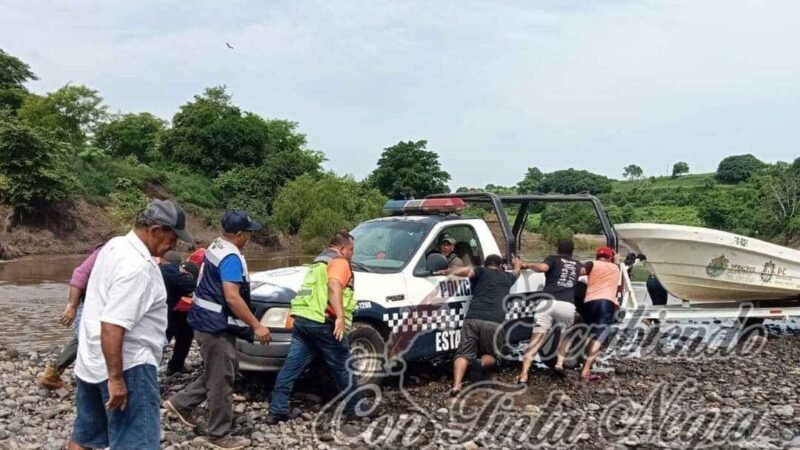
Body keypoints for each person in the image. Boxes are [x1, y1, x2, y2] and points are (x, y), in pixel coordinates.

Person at [68, 199, 193, 450]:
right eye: (172, 237)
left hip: (91, 360)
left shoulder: (115, 245)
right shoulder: (138, 267)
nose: (175, 244)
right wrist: (116, 379)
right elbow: (113, 325)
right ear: (155, 231)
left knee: (84, 437)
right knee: (137, 443)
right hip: (128, 365)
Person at [164, 211, 270, 450]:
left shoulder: (216, 246)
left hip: (204, 321)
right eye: (249, 232)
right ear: (240, 234)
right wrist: (257, 325)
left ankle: (180, 403)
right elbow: (232, 297)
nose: (251, 237)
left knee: (223, 369)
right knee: (221, 380)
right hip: (214, 326)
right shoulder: (231, 257)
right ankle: (219, 435)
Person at [267, 230, 358, 424]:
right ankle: (354, 409)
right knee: (343, 365)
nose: (352, 254)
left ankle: (277, 409)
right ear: (342, 249)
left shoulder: (318, 262)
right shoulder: (339, 262)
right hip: (322, 321)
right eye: (351, 250)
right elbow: (334, 286)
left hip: (302, 321)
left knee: (291, 367)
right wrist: (340, 317)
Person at [443, 254, 522, 396]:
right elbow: (517, 271)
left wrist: (447, 271)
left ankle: (456, 386)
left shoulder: (481, 271)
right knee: (493, 355)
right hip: (494, 322)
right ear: (500, 266)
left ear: (486, 264)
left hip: (473, 318)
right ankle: (479, 364)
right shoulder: (507, 277)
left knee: (463, 353)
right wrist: (517, 262)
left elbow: (466, 271)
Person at [39, 244, 104, 391]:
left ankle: (53, 373)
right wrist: (72, 307)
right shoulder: (108, 250)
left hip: (100, 303)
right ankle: (54, 374)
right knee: (86, 338)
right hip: (86, 302)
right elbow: (79, 275)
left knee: (84, 338)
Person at [516, 239, 583, 383]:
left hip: (547, 303)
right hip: (567, 305)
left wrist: (526, 264)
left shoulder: (553, 259)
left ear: (557, 249)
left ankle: (524, 374)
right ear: (572, 251)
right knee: (565, 336)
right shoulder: (577, 264)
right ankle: (559, 363)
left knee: (536, 340)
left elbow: (543, 267)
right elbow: (586, 271)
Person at [580, 246, 621, 382]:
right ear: (609, 257)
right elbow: (617, 260)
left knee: (591, 332)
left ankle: (580, 357)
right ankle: (586, 370)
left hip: (589, 302)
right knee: (599, 337)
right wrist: (615, 258)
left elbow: (578, 272)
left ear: (597, 255)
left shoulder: (592, 264)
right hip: (606, 302)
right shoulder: (616, 268)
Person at [159, 252, 198, 376]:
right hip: (175, 309)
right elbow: (191, 287)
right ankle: (175, 366)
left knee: (166, 338)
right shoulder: (173, 271)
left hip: (168, 309)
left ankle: (172, 366)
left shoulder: (158, 269)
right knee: (183, 337)